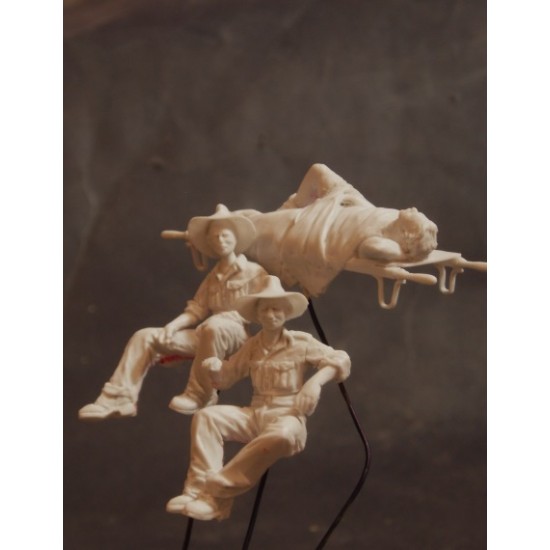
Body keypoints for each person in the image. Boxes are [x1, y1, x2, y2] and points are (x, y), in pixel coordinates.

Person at [166, 275, 351, 521]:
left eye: (277, 309)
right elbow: (227, 378)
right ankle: (196, 490)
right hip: (255, 414)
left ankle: (216, 495)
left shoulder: (301, 342)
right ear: (257, 314)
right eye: (265, 309)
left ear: (286, 312)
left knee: (282, 435)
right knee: (207, 417)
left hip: (287, 417)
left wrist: (315, 383)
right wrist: (215, 369)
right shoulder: (253, 346)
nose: (271, 314)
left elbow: (340, 359)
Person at [78, 205, 267, 420]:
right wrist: (173, 326)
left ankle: (200, 394)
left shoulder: (254, 272)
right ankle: (119, 398)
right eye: (214, 237)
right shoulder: (212, 278)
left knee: (213, 327)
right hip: (208, 334)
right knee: (146, 336)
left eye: (225, 235)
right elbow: (197, 309)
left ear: (236, 237)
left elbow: (266, 306)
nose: (220, 240)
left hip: (238, 337)